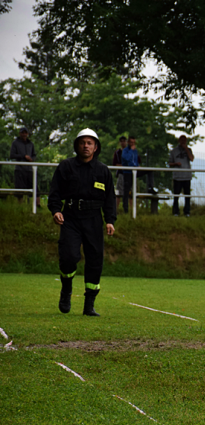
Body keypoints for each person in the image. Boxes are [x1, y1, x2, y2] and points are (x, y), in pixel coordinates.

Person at [48, 128, 117, 316]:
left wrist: (110, 220)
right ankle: (66, 290)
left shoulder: (103, 171)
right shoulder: (66, 167)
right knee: (69, 257)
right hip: (70, 218)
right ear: (77, 145)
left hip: (94, 220)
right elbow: (54, 193)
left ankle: (89, 305)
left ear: (95, 147)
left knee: (95, 261)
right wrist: (55, 210)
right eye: (82, 142)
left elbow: (110, 198)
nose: (85, 146)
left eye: (89, 143)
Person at [10, 127, 39, 205]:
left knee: (35, 187)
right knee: (20, 188)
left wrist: (31, 159)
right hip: (19, 169)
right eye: (22, 133)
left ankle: (37, 205)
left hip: (30, 169)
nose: (24, 134)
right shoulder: (15, 143)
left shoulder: (31, 144)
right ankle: (20, 205)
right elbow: (12, 155)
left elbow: (34, 155)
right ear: (20, 133)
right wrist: (23, 156)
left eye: (25, 133)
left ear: (27, 134)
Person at [168, 134, 194, 217]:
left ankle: (187, 212)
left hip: (186, 176)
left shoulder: (189, 150)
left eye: (185, 140)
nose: (183, 142)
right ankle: (176, 211)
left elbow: (191, 159)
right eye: (182, 140)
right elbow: (169, 163)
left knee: (187, 195)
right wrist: (175, 163)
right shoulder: (174, 151)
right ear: (179, 141)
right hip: (177, 176)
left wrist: (186, 149)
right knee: (176, 195)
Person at [112, 136, 128, 211]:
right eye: (121, 141)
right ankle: (116, 209)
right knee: (118, 192)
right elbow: (115, 164)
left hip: (130, 174)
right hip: (121, 174)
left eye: (124, 141)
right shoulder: (117, 153)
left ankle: (131, 210)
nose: (123, 142)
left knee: (131, 192)